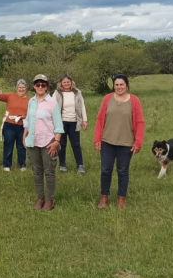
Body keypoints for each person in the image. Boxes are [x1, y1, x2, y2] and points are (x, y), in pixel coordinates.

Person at [93, 74, 145, 209]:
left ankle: (121, 198)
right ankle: (104, 198)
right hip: (107, 142)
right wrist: (97, 139)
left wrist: (138, 142)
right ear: (113, 86)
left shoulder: (134, 101)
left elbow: (140, 122)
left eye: (121, 84)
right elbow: (99, 119)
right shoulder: (107, 99)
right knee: (105, 170)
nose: (119, 87)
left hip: (126, 143)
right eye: (116, 84)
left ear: (126, 85)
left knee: (123, 171)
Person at [24, 74, 64, 211]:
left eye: (43, 84)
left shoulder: (52, 102)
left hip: (48, 142)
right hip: (33, 141)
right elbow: (28, 120)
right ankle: (40, 198)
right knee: (37, 172)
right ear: (34, 86)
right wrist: (25, 136)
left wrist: (56, 141)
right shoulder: (31, 101)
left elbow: (59, 125)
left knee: (49, 172)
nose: (40, 87)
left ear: (47, 86)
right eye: (37, 84)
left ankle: (49, 200)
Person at [53, 74, 88, 174]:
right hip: (61, 122)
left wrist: (84, 120)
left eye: (68, 82)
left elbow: (82, 106)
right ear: (61, 83)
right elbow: (52, 106)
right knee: (62, 144)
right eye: (64, 82)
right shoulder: (57, 93)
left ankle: (80, 165)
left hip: (74, 122)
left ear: (71, 82)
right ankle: (62, 165)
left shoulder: (77, 92)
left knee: (76, 144)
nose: (66, 84)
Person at [0, 80, 31, 172]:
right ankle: (7, 165)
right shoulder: (10, 95)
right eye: (19, 87)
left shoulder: (30, 100)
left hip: (23, 125)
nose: (21, 89)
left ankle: (22, 165)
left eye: (23, 87)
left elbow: (32, 112)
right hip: (10, 124)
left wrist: (26, 116)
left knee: (22, 145)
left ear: (26, 88)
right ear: (16, 88)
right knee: (8, 144)